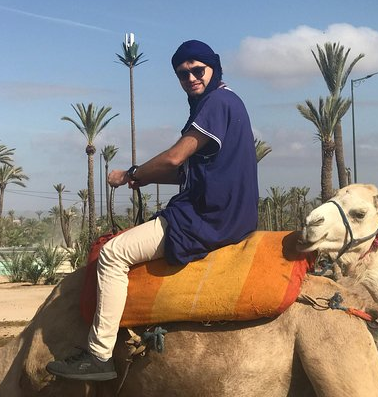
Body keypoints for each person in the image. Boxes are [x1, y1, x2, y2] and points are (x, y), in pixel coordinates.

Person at [47, 40, 259, 380]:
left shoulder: (217, 102)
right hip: (230, 212)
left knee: (113, 254)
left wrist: (131, 173)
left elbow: (176, 157)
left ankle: (98, 356)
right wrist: (142, 178)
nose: (190, 78)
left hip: (209, 216)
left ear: (213, 67)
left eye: (197, 70)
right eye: (182, 74)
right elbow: (186, 172)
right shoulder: (225, 103)